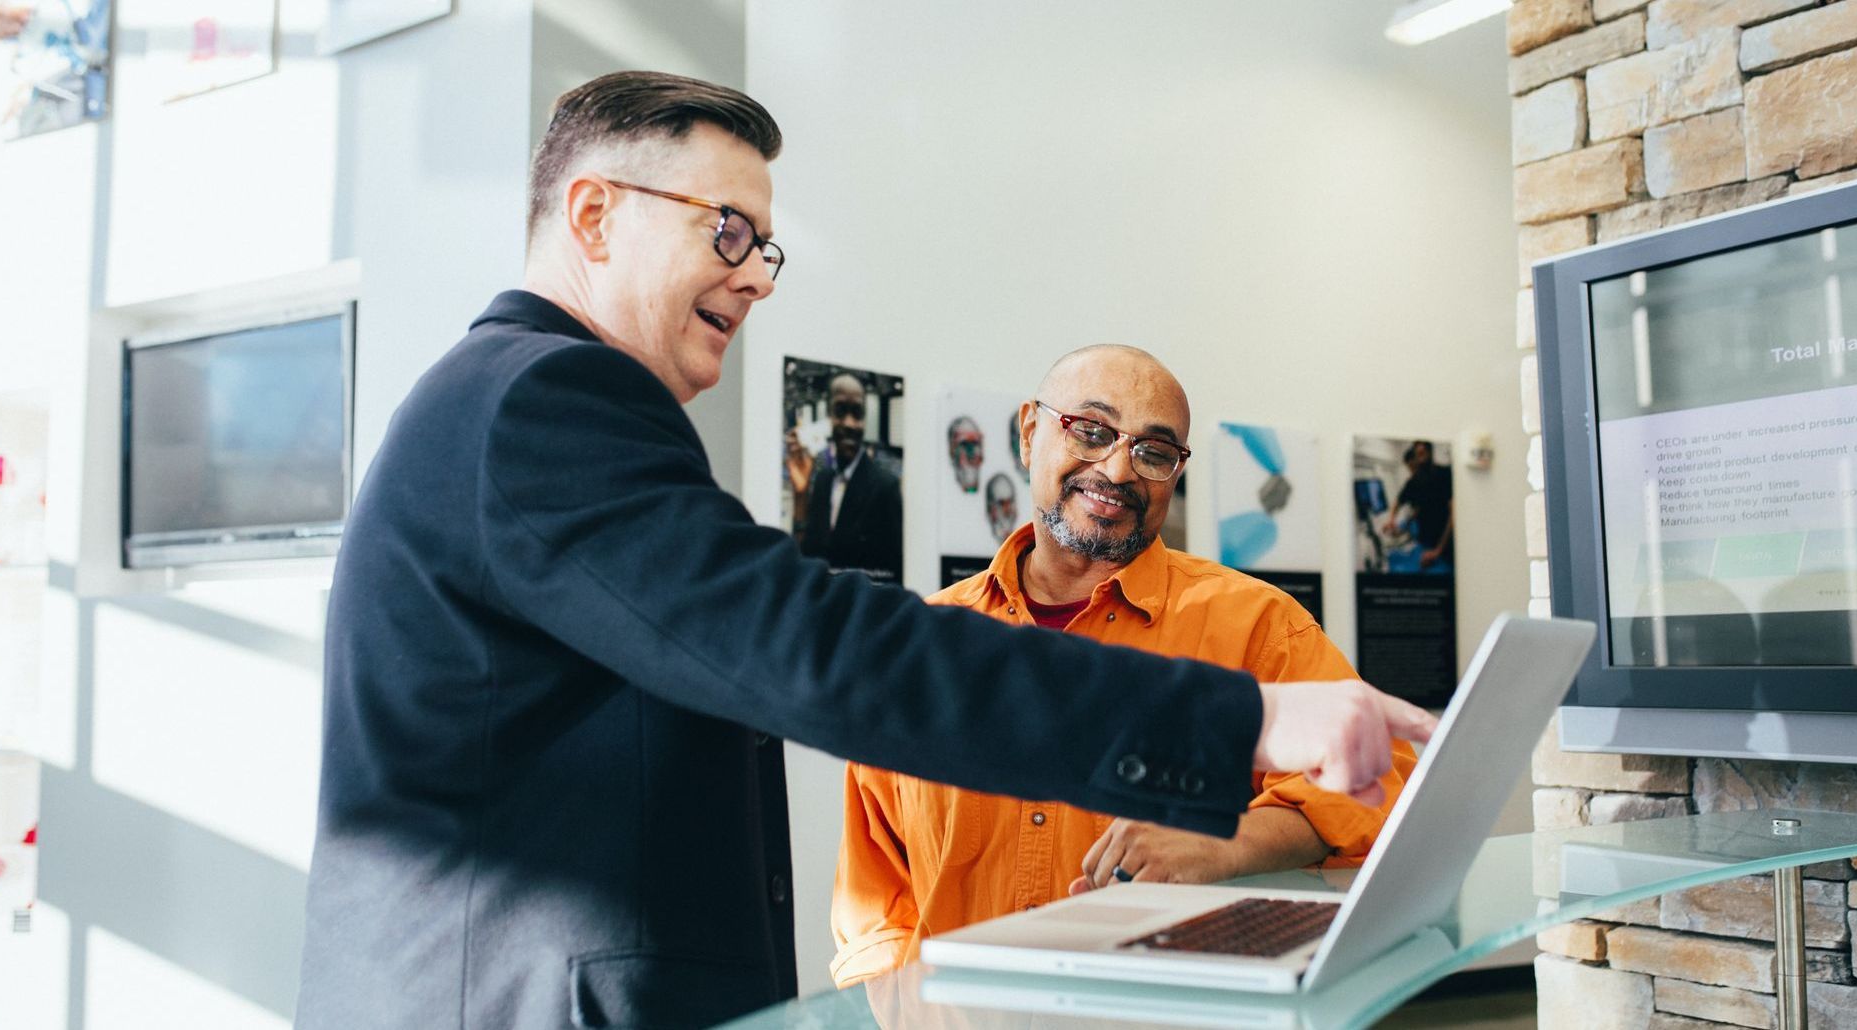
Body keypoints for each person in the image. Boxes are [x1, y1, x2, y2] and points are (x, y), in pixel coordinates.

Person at [296, 71, 1434, 1030]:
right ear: (593, 216)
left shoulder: (510, 403)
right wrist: (1244, 719)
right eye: (726, 230)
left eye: (764, 246)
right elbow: (816, 650)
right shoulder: (546, 399)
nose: (752, 273)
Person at [829, 347, 1418, 986]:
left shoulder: (1257, 625)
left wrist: (1224, 842)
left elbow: (1383, 784)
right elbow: (877, 900)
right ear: (1030, 433)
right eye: (1091, 430)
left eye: (1154, 452)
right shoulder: (926, 645)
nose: (1117, 469)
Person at [785, 372, 903, 582]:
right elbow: (807, 558)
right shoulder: (822, 480)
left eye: (857, 414)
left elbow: (892, 577)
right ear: (829, 415)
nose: (849, 423)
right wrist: (800, 496)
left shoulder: (885, 487)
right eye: (840, 411)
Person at [1386, 440, 1454, 571]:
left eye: (1423, 454)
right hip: (1425, 543)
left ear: (1430, 453)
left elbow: (1453, 514)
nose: (1412, 470)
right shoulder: (1414, 481)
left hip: (1444, 545)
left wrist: (1438, 550)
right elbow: (1400, 501)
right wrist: (1391, 519)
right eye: (1418, 455)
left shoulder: (1444, 474)